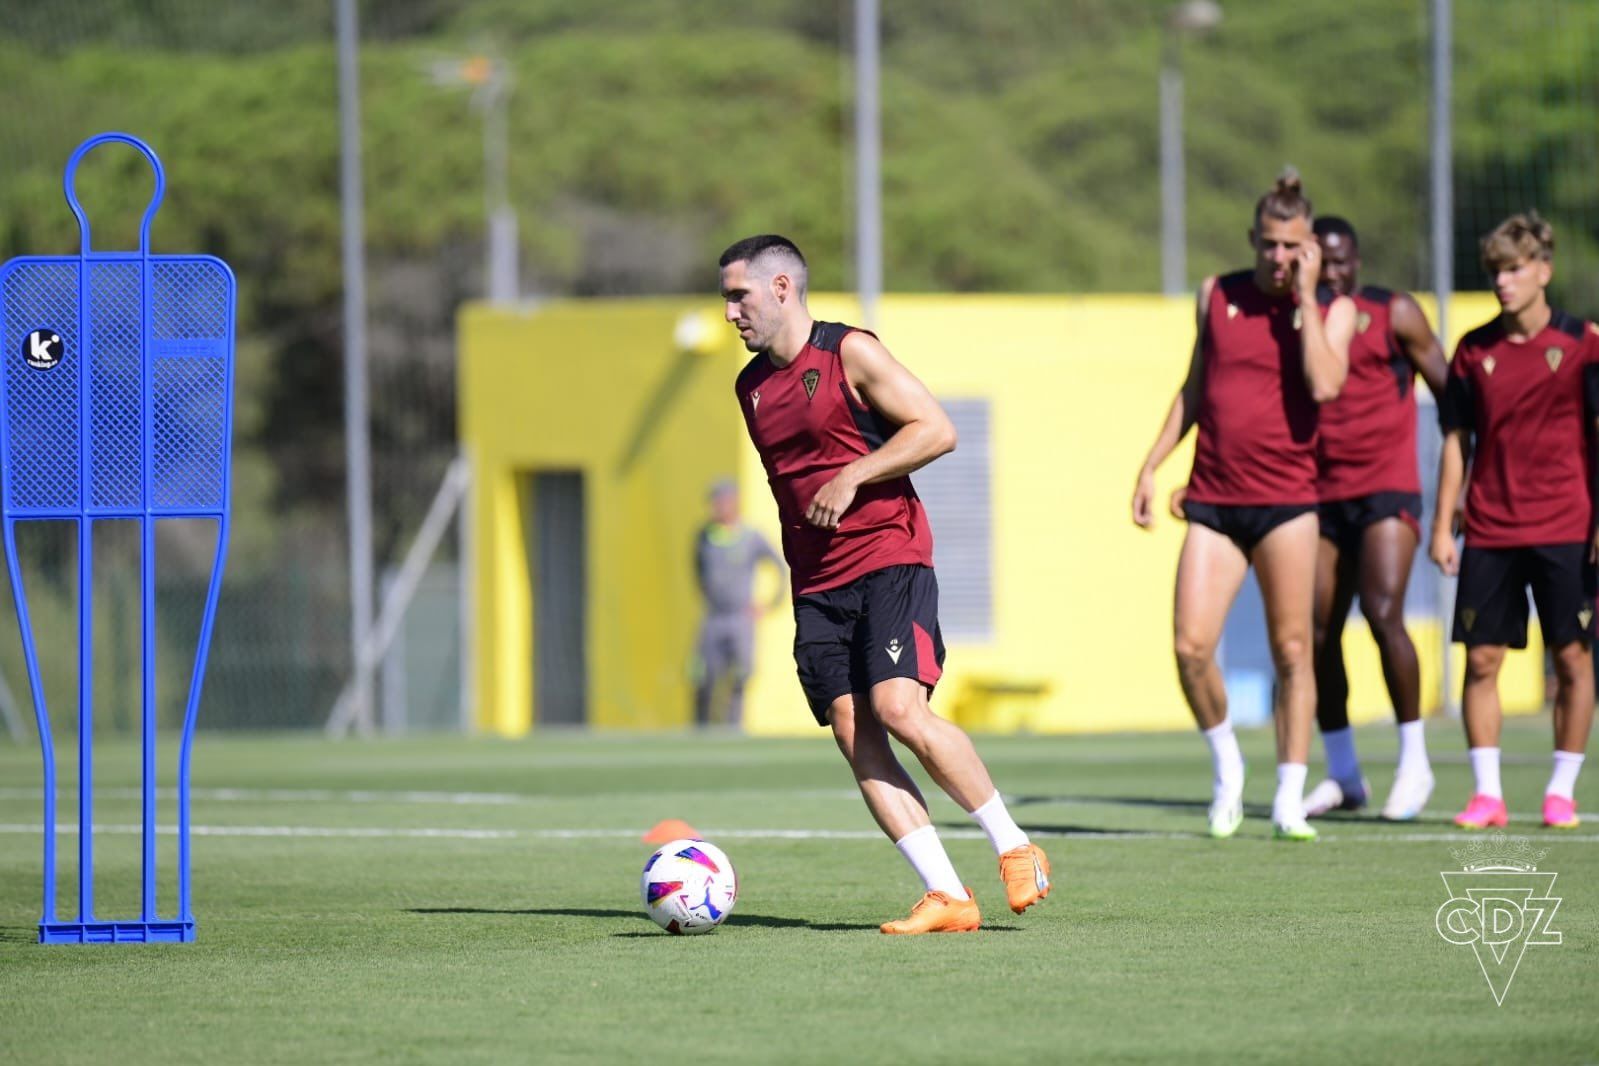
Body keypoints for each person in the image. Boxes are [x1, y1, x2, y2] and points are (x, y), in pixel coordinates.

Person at [718, 233, 1050, 933]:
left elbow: (935, 430)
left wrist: (853, 474)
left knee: (899, 710)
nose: (729, 314)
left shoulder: (849, 353)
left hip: (890, 559)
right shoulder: (748, 387)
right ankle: (947, 897)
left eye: (737, 295)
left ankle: (1014, 844)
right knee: (852, 730)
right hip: (816, 585)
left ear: (781, 289)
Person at [1132, 169, 1354, 841]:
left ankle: (1288, 795)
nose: (1278, 258)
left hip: (1287, 506)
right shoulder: (1216, 295)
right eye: (1268, 245)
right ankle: (1228, 767)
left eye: (1291, 246)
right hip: (1213, 503)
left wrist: (1309, 299)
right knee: (1189, 647)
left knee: (1293, 651)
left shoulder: (1333, 309)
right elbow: (1193, 389)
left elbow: (1323, 384)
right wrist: (1149, 466)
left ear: (1308, 247)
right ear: (1252, 241)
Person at [1430, 212, 1598, 830]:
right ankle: (1487, 794)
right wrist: (1444, 520)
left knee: (1573, 658)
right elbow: (1457, 440)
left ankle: (1561, 790)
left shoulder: (1585, 342)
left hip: (1567, 527)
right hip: (1491, 530)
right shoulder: (1473, 350)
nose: (1503, 282)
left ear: (1544, 272)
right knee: (1481, 662)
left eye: (1515, 269)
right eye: (1496, 271)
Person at [1302, 217, 1449, 821]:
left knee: (1384, 612)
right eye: (1322, 262)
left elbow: (1452, 397)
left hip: (1387, 488)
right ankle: (1343, 772)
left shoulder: (1395, 313)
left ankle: (1415, 761)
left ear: (1357, 260)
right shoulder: (1299, 320)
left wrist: (1462, 484)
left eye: (1342, 261)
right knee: (1314, 631)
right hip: (1319, 493)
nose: (1333, 273)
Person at [691, 479, 786, 728]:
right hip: (713, 617)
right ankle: (700, 728)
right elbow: (697, 570)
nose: (719, 506)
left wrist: (770, 603)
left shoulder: (750, 536)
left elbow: (779, 566)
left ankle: (733, 728)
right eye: (715, 501)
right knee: (704, 675)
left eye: (724, 501)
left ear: (734, 503)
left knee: (740, 675)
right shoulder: (704, 536)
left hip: (740, 618)